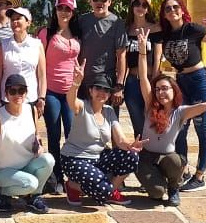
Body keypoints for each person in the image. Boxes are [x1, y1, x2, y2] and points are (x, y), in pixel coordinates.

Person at [135, 26, 206, 206]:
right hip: (147, 157)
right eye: (158, 89)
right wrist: (142, 52)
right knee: (156, 194)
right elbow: (143, 77)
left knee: (177, 161)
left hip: (167, 158)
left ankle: (174, 187)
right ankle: (159, 183)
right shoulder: (150, 105)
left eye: (165, 88)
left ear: (174, 90)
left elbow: (205, 106)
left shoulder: (181, 112)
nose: (161, 93)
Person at [149, 0, 206, 192]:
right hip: (181, 82)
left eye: (175, 7)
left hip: (199, 80)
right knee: (180, 128)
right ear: (164, 14)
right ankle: (182, 170)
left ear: (182, 10)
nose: (172, 10)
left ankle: (199, 176)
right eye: (167, 9)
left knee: (202, 129)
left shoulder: (192, 29)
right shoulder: (166, 34)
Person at [61, 64, 145, 206]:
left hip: (97, 159)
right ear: (90, 90)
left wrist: (130, 145)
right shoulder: (82, 107)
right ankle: (73, 186)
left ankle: (108, 190)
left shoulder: (109, 111)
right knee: (103, 190)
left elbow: (120, 140)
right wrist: (76, 82)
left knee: (132, 156)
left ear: (109, 94)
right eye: (98, 88)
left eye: (106, 90)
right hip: (74, 159)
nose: (102, 92)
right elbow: (71, 100)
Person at [0, 73, 54, 214]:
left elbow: (36, 135)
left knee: (49, 160)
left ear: (26, 92)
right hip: (3, 171)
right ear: (6, 94)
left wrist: (39, 146)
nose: (17, 94)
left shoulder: (31, 110)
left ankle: (33, 197)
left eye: (21, 90)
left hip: (25, 165)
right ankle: (2, 192)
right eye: (12, 91)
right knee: (31, 183)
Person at [37, 0, 82, 194]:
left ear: (73, 12)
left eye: (68, 9)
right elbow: (39, 63)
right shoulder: (46, 34)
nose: (64, 12)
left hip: (71, 91)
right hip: (52, 90)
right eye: (60, 8)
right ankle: (55, 176)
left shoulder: (78, 33)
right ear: (55, 10)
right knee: (54, 135)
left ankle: (72, 176)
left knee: (72, 134)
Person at [78, 0, 127, 107]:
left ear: (109, 2)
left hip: (107, 81)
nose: (99, 2)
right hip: (84, 81)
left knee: (108, 121)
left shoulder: (117, 23)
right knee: (85, 122)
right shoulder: (82, 21)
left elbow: (121, 56)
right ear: (90, 1)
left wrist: (119, 85)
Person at [0, 7, 47, 117]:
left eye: (18, 18)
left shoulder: (37, 45)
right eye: (12, 19)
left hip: (30, 99)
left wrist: (41, 98)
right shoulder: (3, 45)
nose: (14, 22)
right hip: (7, 98)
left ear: (28, 22)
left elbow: (42, 75)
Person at [124, 0, 160, 139]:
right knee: (137, 122)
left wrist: (156, 78)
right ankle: (140, 156)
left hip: (151, 79)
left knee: (153, 119)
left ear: (148, 9)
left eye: (144, 5)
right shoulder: (126, 29)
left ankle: (155, 153)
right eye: (137, 4)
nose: (140, 7)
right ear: (132, 7)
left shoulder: (156, 28)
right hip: (132, 81)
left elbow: (158, 54)